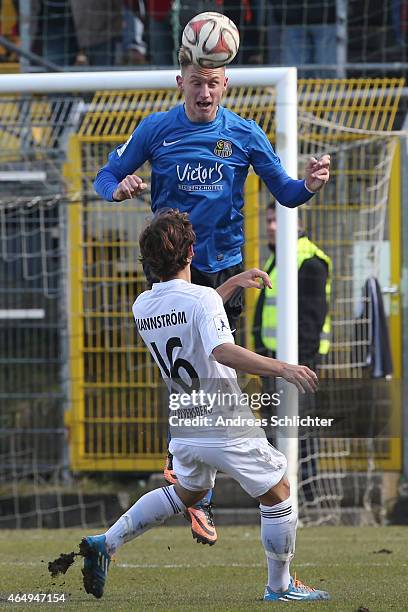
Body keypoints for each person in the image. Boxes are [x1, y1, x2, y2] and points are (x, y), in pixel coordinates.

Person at [93, 42, 331, 544]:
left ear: (226, 85)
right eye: (196, 81)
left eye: (213, 82)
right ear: (180, 82)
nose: (204, 91)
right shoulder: (156, 129)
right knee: (204, 378)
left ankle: (189, 482)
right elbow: (105, 174)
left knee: (216, 384)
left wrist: (308, 184)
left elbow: (285, 193)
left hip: (221, 270)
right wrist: (117, 188)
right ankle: (194, 484)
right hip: (171, 272)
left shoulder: (244, 133)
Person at [78, 209, 330, 602]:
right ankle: (280, 588)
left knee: (189, 492)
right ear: (192, 251)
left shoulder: (142, 306)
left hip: (184, 422)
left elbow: (190, 310)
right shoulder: (199, 299)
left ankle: (105, 542)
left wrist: (229, 284)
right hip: (223, 418)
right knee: (279, 490)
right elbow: (221, 349)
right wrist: (284, 367)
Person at [253, 201, 331, 370]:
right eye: (268, 221)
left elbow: (311, 321)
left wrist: (302, 365)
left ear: (297, 224)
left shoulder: (310, 261)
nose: (271, 227)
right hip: (274, 359)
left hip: (298, 364)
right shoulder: (278, 257)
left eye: (277, 220)